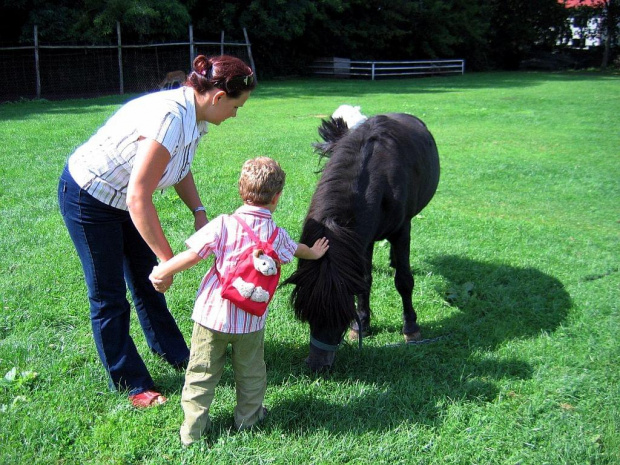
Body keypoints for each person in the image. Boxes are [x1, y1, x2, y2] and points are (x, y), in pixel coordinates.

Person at [57, 54, 256, 408]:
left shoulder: (194, 116)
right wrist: (167, 259)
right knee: (109, 295)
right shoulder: (170, 117)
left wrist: (198, 212)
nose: (236, 115)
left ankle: (175, 354)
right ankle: (131, 382)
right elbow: (139, 196)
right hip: (90, 197)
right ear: (219, 97)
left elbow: (178, 167)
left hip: (124, 200)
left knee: (146, 284)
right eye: (237, 106)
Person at [148, 157, 329, 446]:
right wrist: (315, 253)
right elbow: (299, 250)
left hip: (211, 317)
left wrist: (163, 270)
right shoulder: (276, 235)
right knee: (251, 373)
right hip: (250, 321)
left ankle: (192, 432)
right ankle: (248, 419)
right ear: (277, 197)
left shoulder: (223, 225)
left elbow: (193, 255)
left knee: (201, 374)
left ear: (240, 190)